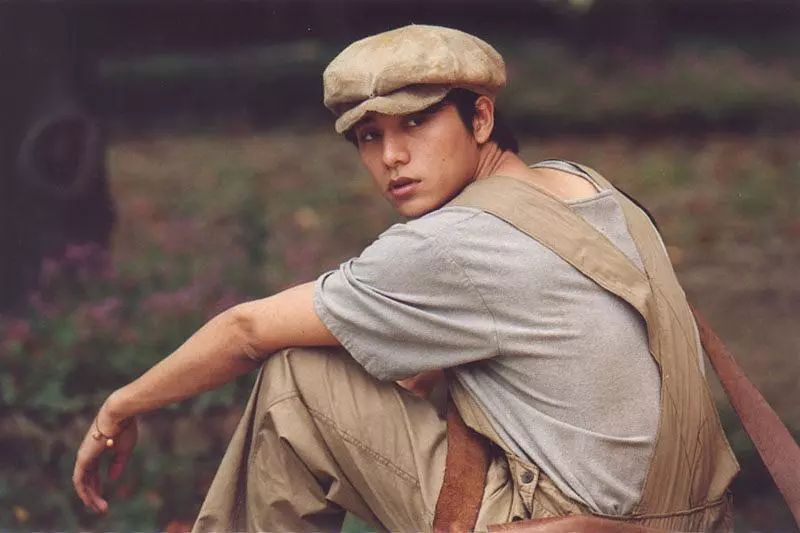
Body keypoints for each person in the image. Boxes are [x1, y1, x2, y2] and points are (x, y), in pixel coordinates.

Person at [73, 25, 738, 532]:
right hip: (693, 519)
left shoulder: (452, 244)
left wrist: (120, 406)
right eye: (368, 136)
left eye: (416, 122)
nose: (392, 156)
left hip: (566, 523)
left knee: (297, 380)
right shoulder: (587, 186)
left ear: (481, 118)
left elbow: (247, 330)